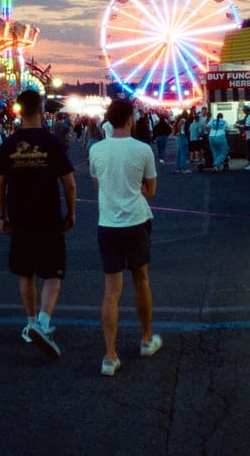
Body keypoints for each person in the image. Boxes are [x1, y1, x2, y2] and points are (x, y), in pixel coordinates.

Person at [0, 89, 77, 359]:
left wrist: (2, 216)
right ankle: (43, 321)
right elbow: (69, 183)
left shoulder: (9, 143)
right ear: (41, 109)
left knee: (25, 272)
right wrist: (71, 211)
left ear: (19, 110)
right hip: (48, 215)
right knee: (53, 274)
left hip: (20, 216)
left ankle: (30, 322)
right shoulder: (53, 143)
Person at [88, 99, 161, 376]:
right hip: (136, 221)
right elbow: (151, 190)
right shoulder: (143, 150)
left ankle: (110, 355)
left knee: (111, 291)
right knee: (141, 280)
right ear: (130, 119)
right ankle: (145, 339)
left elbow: (97, 183)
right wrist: (136, 185)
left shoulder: (96, 150)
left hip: (107, 223)